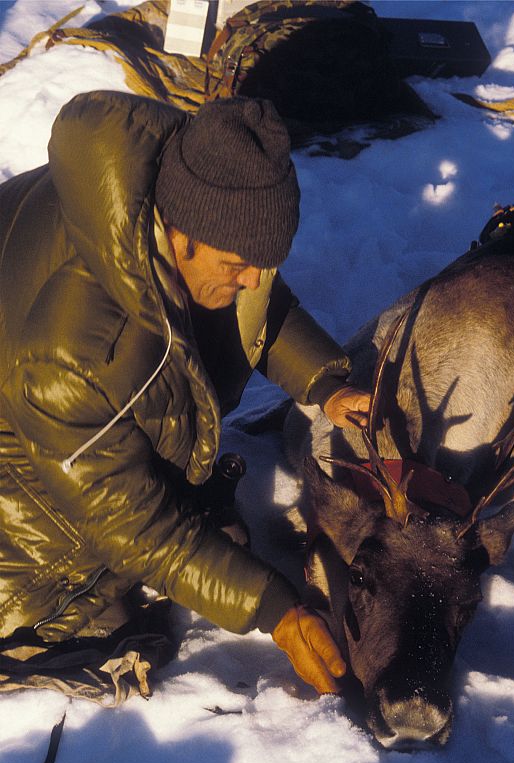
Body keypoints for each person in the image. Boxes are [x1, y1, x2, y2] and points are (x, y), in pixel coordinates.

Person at [0, 91, 370, 696]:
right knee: (67, 609)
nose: (253, 277)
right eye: (237, 263)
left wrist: (323, 384)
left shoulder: (182, 188)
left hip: (46, 394)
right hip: (19, 437)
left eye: (262, 262)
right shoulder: (73, 351)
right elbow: (137, 527)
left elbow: (256, 300)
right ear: (182, 234)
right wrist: (274, 611)